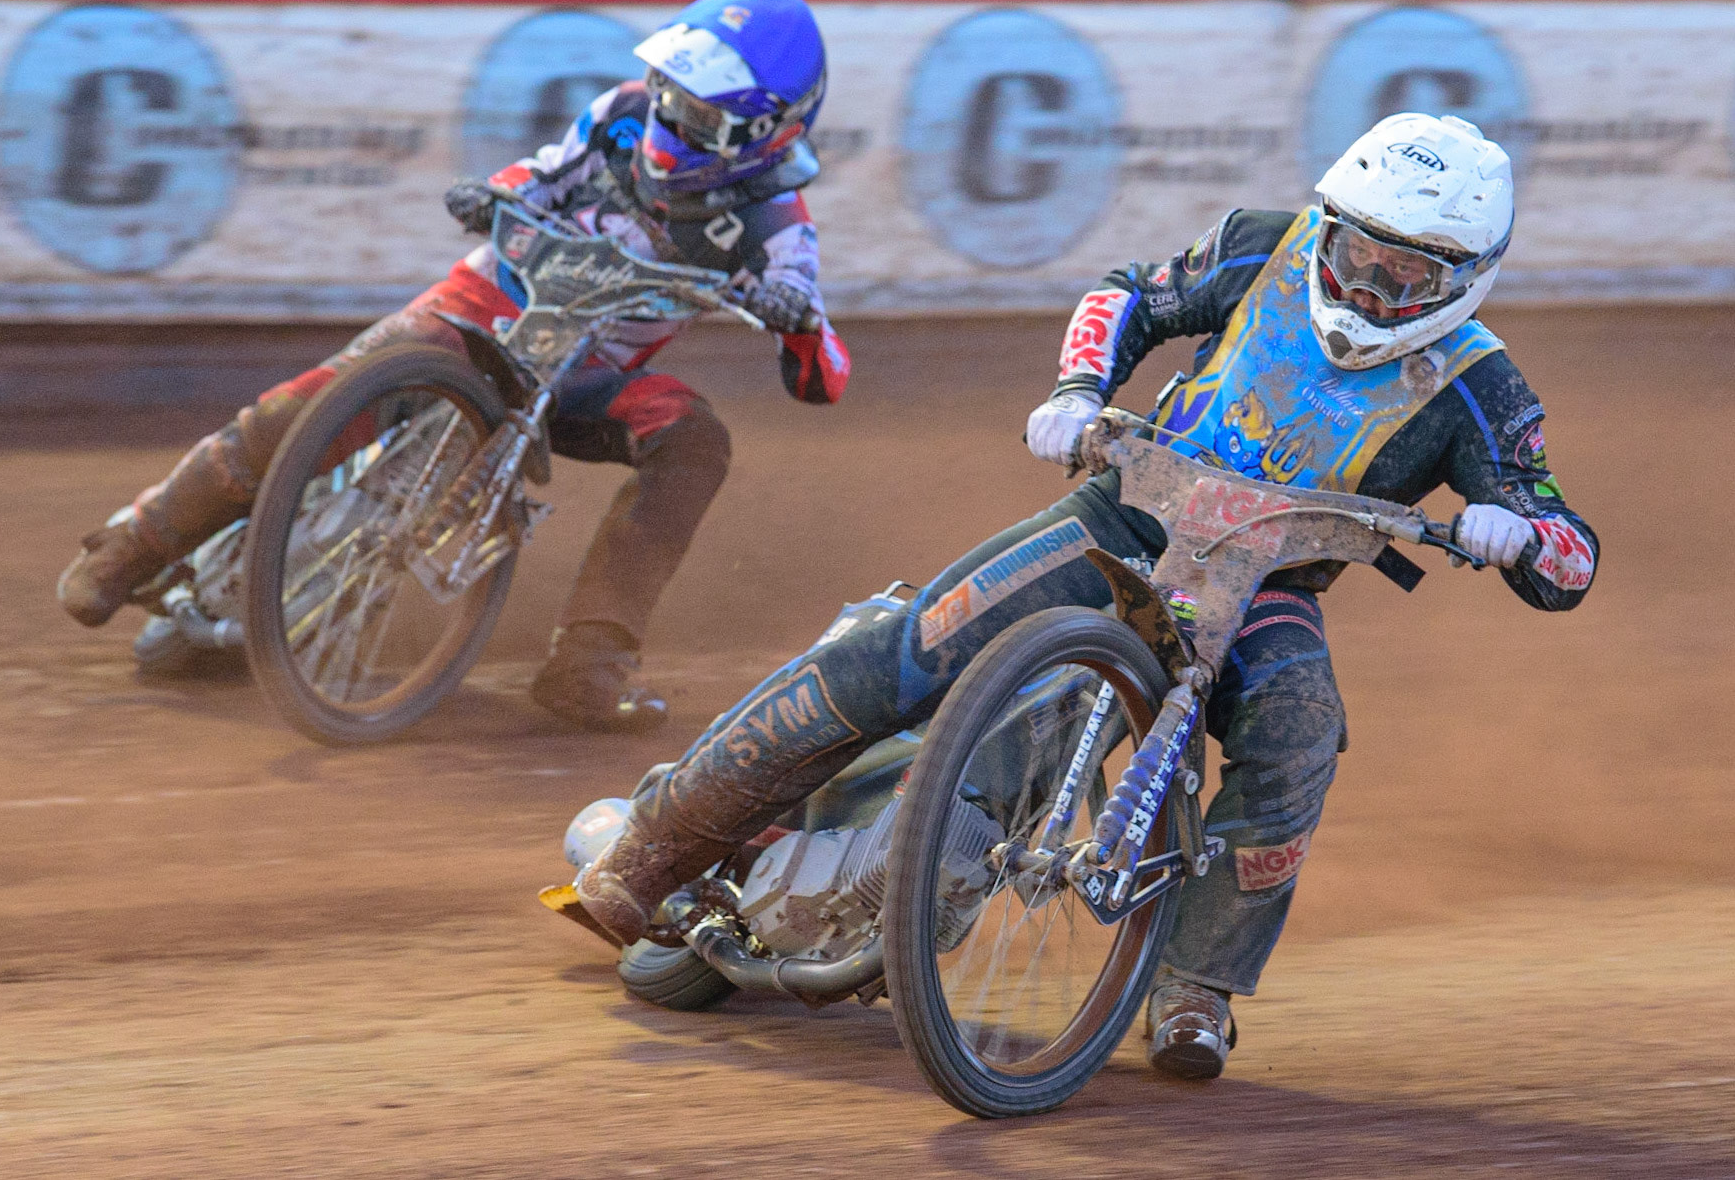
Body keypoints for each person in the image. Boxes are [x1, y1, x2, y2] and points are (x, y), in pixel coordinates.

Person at [570, 113, 1598, 1075]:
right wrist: (1076, 394)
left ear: (1465, 277)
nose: (1370, 284)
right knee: (907, 649)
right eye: (1361, 249)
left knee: (1298, 731)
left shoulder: (1481, 386)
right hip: (1124, 514)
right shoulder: (1261, 246)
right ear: (1329, 221)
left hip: (1266, 586)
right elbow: (1131, 296)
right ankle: (655, 849)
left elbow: (1570, 548)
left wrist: (1521, 534)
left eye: (1407, 270)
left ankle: (1196, 986)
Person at [56, 0, 851, 733]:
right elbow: (539, 176)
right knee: (319, 401)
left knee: (695, 439)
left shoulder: (777, 224)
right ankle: (135, 544)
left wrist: (799, 320)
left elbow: (825, 367)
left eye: (698, 114)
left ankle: (591, 661)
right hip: (480, 311)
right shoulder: (622, 114)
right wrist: (492, 192)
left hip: (588, 374)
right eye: (671, 92)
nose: (670, 121)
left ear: (764, 132)